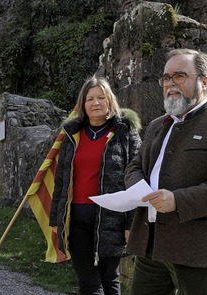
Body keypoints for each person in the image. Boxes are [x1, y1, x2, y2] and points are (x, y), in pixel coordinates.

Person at [125, 48, 207, 295]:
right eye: (166, 78)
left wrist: (177, 201)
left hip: (199, 252)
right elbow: (134, 165)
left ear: (204, 81)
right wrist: (138, 186)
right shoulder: (155, 126)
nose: (170, 84)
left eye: (180, 76)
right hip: (151, 247)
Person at [50, 76, 142, 295]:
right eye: (90, 98)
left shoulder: (126, 134)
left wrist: (132, 223)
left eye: (101, 97)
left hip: (112, 220)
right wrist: (56, 219)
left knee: (109, 278)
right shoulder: (72, 135)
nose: (96, 103)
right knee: (89, 282)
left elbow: (137, 180)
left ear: (110, 100)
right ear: (83, 104)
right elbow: (61, 180)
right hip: (76, 220)